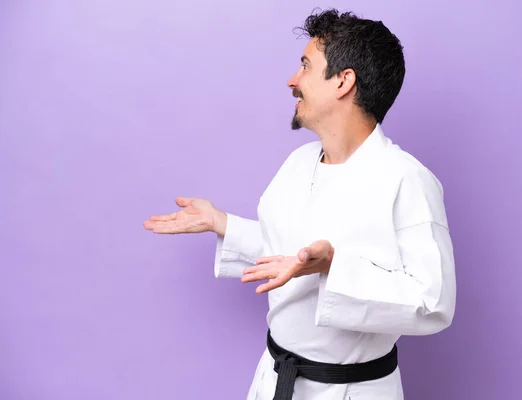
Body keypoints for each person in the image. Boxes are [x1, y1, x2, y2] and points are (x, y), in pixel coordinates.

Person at [144, 8, 456, 400]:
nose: (292, 81)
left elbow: (433, 302)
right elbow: (292, 255)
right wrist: (223, 223)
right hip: (276, 379)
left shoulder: (407, 180)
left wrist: (334, 265)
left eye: (306, 66)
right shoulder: (298, 162)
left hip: (351, 391)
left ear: (344, 81)